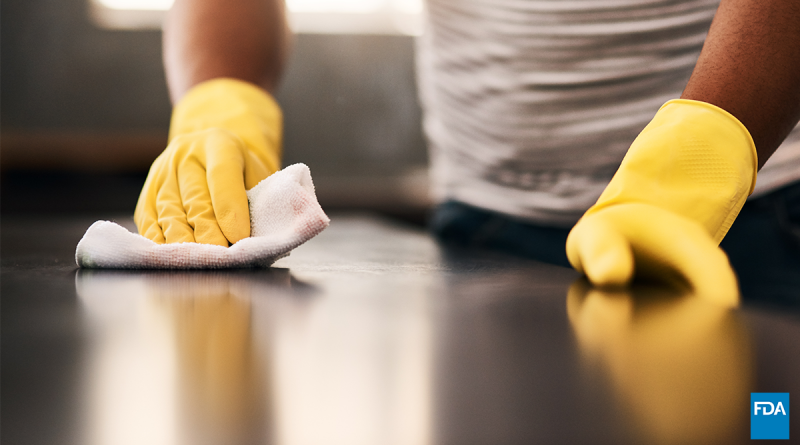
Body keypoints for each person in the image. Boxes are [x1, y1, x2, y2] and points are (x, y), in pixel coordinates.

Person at [135, 0, 800, 303]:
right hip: (482, 227)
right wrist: (219, 104)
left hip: (750, 221)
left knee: (751, 425)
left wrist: (694, 169)